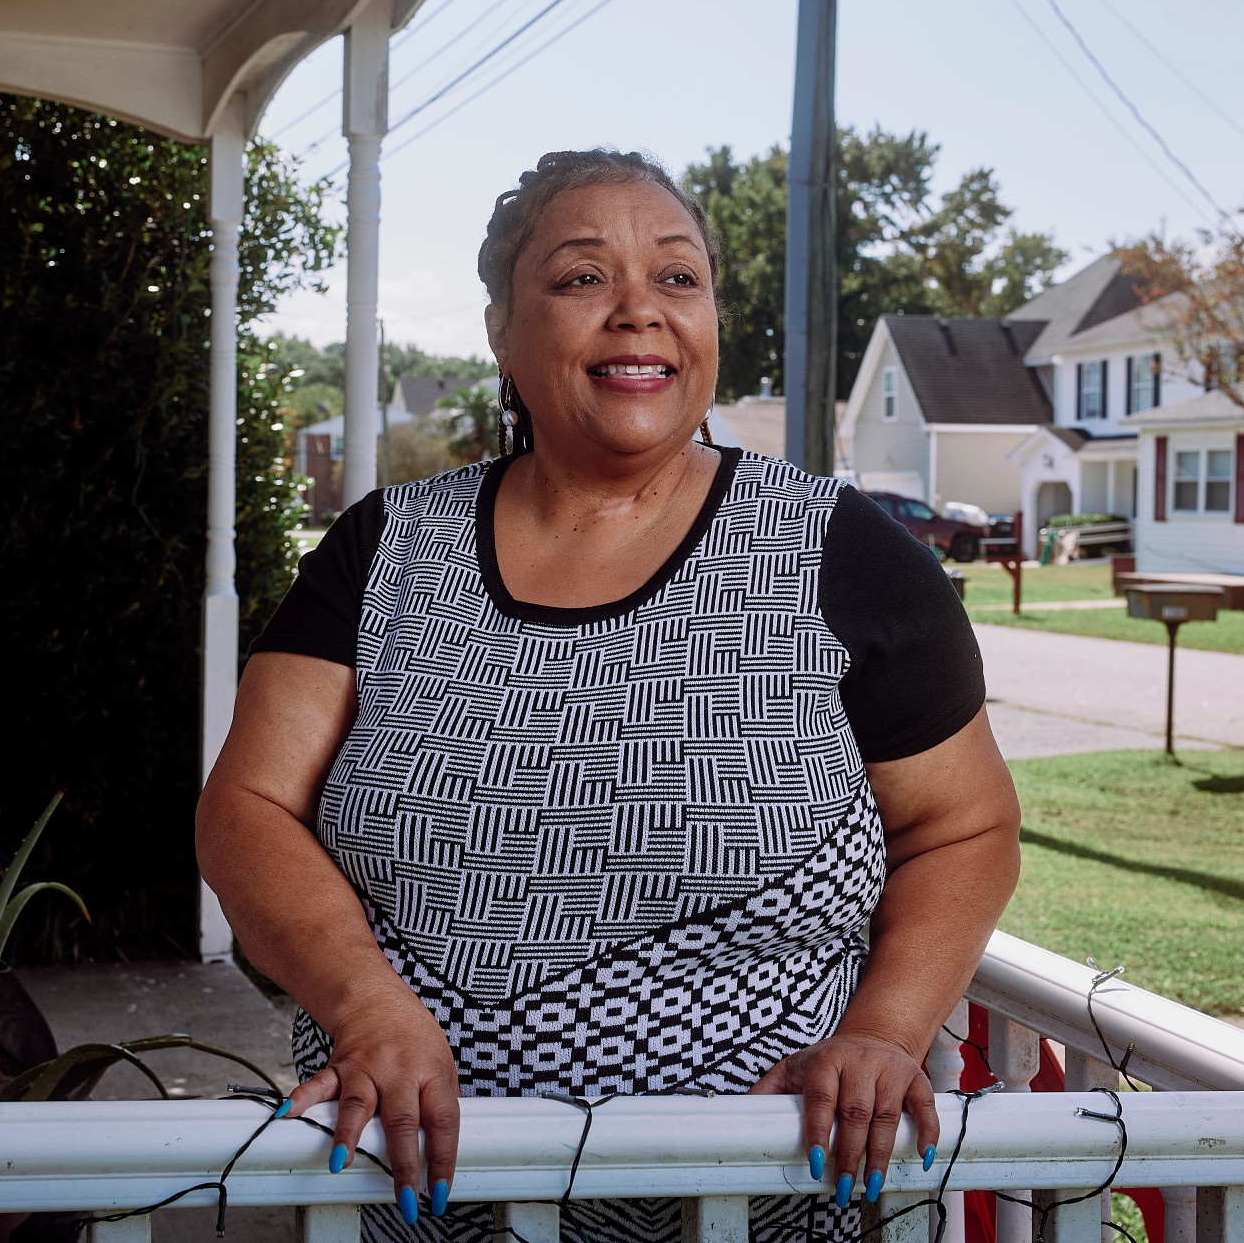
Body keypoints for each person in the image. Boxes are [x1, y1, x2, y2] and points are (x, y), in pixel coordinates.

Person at [197, 149, 1021, 1242]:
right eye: (581, 278)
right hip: (405, 1207)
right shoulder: (385, 548)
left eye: (676, 279)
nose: (638, 311)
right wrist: (364, 1004)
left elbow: (964, 826)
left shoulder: (838, 550)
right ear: (501, 329)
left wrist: (882, 1028)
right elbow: (245, 807)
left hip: (749, 1207)